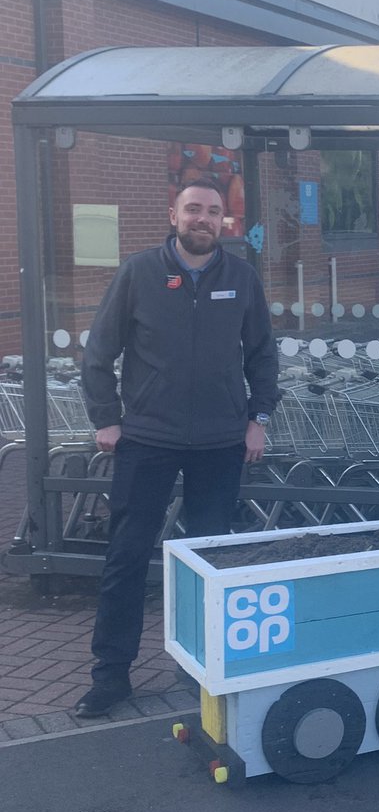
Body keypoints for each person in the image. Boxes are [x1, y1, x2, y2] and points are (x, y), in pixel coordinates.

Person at [76, 178, 278, 716]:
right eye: (193, 209)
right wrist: (107, 419)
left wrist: (258, 418)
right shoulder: (139, 273)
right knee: (126, 557)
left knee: (209, 561)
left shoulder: (241, 277)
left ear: (223, 222)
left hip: (220, 443)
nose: (203, 219)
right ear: (173, 215)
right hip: (147, 440)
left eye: (213, 212)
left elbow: (262, 354)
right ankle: (111, 675)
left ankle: (201, 669)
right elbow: (98, 352)